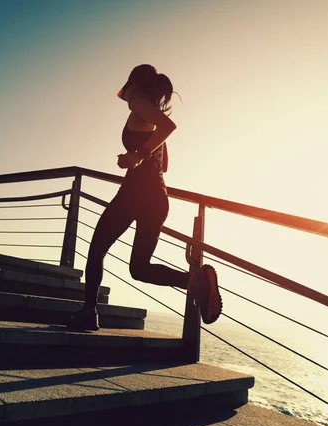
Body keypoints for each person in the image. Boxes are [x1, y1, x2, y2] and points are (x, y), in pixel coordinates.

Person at [67, 64, 222, 332]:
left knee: (97, 249)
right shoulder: (151, 117)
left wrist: (136, 155)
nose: (125, 98)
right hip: (157, 197)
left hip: (136, 193)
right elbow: (164, 165)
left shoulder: (140, 105)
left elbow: (170, 127)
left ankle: (89, 312)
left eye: (126, 91)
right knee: (139, 269)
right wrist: (140, 155)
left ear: (134, 87)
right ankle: (196, 280)